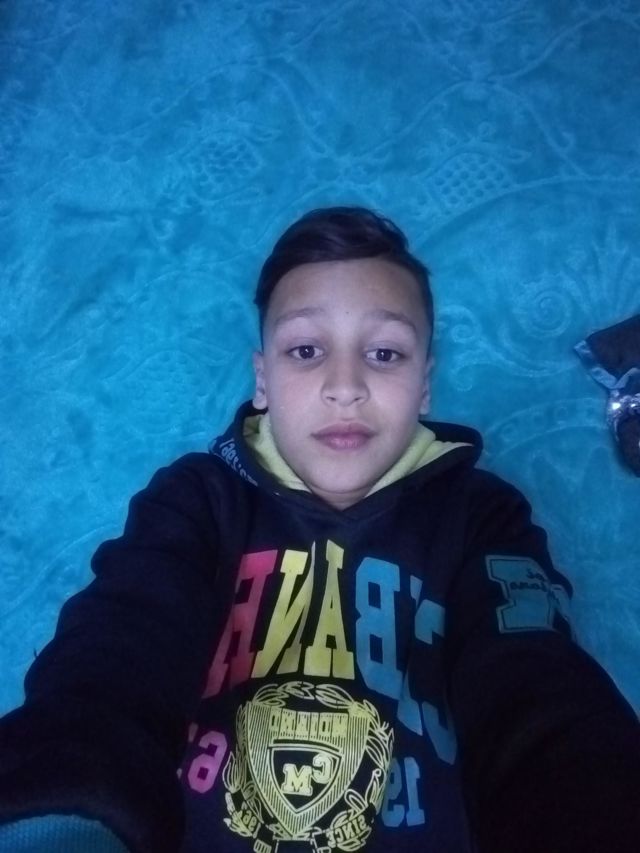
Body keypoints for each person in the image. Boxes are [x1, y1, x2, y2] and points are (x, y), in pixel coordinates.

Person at [1, 207, 639, 853]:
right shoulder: (198, 497)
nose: (344, 387)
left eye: (384, 353)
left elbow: (538, 694)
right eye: (306, 351)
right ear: (263, 380)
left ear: (424, 385)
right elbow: (116, 649)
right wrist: (61, 820)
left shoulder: (482, 515)